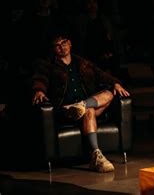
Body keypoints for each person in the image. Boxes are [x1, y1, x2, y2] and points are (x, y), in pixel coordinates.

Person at [31, 32, 130, 173]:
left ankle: (82, 107)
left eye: (64, 42)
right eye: (57, 45)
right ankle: (96, 155)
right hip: (65, 109)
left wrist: (115, 83)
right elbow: (40, 78)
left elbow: (101, 74)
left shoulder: (82, 63)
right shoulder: (48, 65)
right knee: (90, 110)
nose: (61, 47)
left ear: (70, 43)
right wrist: (39, 90)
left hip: (84, 105)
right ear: (53, 49)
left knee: (108, 94)